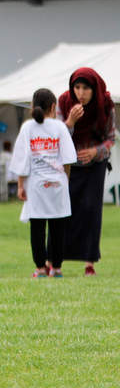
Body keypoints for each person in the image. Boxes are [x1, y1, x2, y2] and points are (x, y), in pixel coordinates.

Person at [12, 88, 77, 278]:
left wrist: (20, 185)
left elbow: (21, 160)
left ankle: (40, 268)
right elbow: (68, 159)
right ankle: (56, 268)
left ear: (33, 106)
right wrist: (65, 181)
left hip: (36, 185)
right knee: (58, 227)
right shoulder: (60, 128)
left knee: (37, 227)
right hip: (58, 184)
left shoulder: (27, 128)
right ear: (53, 106)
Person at [58, 67, 115, 277]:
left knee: (92, 210)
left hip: (95, 165)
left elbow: (111, 138)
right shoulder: (64, 102)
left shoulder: (105, 105)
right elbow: (57, 135)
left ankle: (89, 263)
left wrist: (95, 151)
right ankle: (56, 260)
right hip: (68, 165)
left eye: (86, 88)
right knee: (64, 210)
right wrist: (70, 123)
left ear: (94, 89)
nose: (80, 93)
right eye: (77, 87)